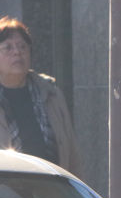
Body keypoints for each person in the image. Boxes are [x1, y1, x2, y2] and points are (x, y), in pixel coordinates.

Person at [0, 17, 80, 175]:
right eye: (8, 48)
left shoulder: (51, 93)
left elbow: (72, 153)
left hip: (51, 187)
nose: (17, 52)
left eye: (22, 47)